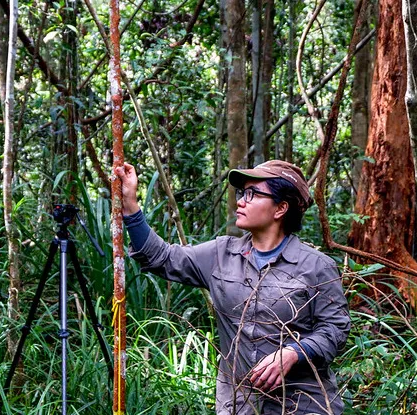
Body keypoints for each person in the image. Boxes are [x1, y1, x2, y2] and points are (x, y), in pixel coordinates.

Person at [114, 159, 350, 415]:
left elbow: (336, 330)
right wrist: (131, 206)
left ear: (281, 208)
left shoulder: (316, 266)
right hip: (238, 405)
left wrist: (293, 353)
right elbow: (160, 257)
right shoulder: (220, 254)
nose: (241, 201)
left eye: (252, 194)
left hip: (304, 406)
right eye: (241, 193)